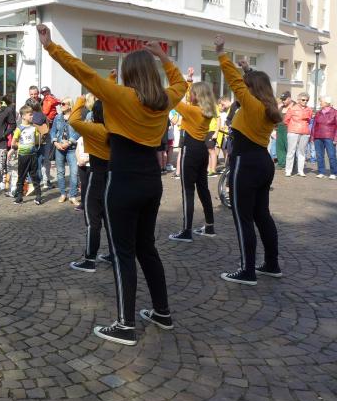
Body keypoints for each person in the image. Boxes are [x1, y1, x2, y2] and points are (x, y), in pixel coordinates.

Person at [39, 24, 186, 346]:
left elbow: (82, 71)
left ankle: (125, 324)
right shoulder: (165, 100)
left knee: (123, 253)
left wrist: (51, 46)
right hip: (152, 182)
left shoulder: (120, 96)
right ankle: (162, 311)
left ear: (128, 75)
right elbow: (180, 84)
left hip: (122, 182)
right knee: (147, 247)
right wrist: (164, 57)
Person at [214, 35, 283, 285]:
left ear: (252, 89)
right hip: (263, 162)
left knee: (243, 217)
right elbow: (250, 83)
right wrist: (248, 70)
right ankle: (272, 264)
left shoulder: (252, 105)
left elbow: (235, 82)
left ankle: (247, 270)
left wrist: (221, 53)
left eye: (248, 85)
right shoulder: (267, 106)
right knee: (262, 215)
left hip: (246, 163)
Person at [168, 73, 218, 242]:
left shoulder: (191, 111)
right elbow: (188, 101)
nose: (189, 95)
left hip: (190, 150)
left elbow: (173, 98)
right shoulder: (206, 110)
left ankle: (186, 231)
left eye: (192, 93)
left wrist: (177, 85)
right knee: (203, 188)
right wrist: (189, 82)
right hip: (202, 150)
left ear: (197, 96)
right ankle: (209, 226)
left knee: (187, 191)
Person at [68, 96, 113, 272]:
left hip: (96, 176)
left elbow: (73, 120)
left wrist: (80, 99)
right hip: (113, 177)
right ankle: (114, 254)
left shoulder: (93, 129)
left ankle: (89, 259)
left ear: (94, 114)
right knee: (110, 220)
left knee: (93, 221)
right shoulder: (117, 129)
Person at [9, 105, 43, 205]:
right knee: (21, 176)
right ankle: (19, 196)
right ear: (23, 116)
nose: (32, 116)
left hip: (33, 155)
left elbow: (37, 141)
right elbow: (13, 143)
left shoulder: (34, 128)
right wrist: (18, 147)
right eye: (30, 115)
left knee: (34, 176)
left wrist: (39, 135)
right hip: (23, 156)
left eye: (32, 114)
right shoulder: (19, 129)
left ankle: (38, 196)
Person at [51, 97, 81, 205]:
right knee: (60, 172)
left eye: (63, 104)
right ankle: (63, 194)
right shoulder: (58, 117)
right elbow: (53, 131)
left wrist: (68, 142)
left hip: (71, 149)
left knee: (74, 172)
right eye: (61, 104)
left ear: (69, 105)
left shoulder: (75, 117)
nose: (61, 106)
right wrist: (55, 142)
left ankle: (72, 195)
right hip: (59, 148)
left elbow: (78, 132)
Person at [284, 92, 312, 177]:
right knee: (291, 151)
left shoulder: (309, 109)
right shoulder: (292, 109)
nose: (305, 101)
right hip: (293, 131)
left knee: (302, 152)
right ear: (298, 100)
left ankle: (300, 171)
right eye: (303, 100)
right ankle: (288, 171)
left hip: (305, 132)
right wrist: (292, 128)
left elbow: (309, 121)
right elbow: (286, 120)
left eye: (307, 100)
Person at [311, 96, 337, 179]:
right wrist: (312, 137)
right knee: (319, 155)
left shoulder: (335, 112)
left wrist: (336, 138)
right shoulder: (318, 113)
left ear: (326, 103)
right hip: (318, 137)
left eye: (321, 101)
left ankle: (333, 173)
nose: (320, 103)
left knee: (331, 155)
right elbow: (314, 125)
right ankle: (321, 172)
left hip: (330, 137)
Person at [275, 92, 292, 170]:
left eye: (284, 99)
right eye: (282, 99)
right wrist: (275, 129)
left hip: (289, 128)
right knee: (280, 146)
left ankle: (291, 164)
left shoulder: (294, 106)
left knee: (289, 147)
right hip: (279, 128)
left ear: (289, 98)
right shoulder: (281, 107)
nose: (283, 101)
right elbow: (276, 118)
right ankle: (281, 163)